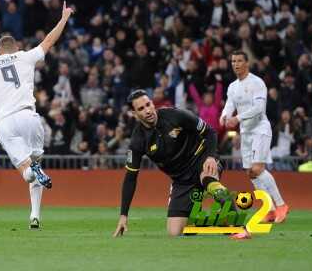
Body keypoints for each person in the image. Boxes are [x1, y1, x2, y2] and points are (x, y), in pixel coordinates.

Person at [0, 1, 74, 229]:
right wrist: (64, 18)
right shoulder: (25, 56)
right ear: (16, 46)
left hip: (7, 121)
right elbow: (50, 40)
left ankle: (34, 173)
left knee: (27, 172)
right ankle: (35, 215)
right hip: (31, 118)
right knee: (35, 164)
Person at [113, 89, 233, 237]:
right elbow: (130, 177)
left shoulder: (175, 115)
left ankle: (233, 213)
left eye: (148, 104)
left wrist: (211, 156)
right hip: (182, 180)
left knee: (207, 177)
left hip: (201, 159)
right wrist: (123, 215)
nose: (148, 110)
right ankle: (216, 221)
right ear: (134, 114)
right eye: (141, 109)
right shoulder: (138, 140)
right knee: (174, 233)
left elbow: (210, 132)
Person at [220, 51, 289, 224]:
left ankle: (281, 205)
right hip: (246, 133)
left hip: (260, 129)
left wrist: (237, 118)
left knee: (257, 169)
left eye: (239, 61)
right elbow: (230, 105)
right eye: (233, 61)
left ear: (247, 63)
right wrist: (224, 115)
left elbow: (259, 108)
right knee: (251, 173)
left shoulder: (257, 83)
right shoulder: (232, 87)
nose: (235, 64)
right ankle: (270, 210)